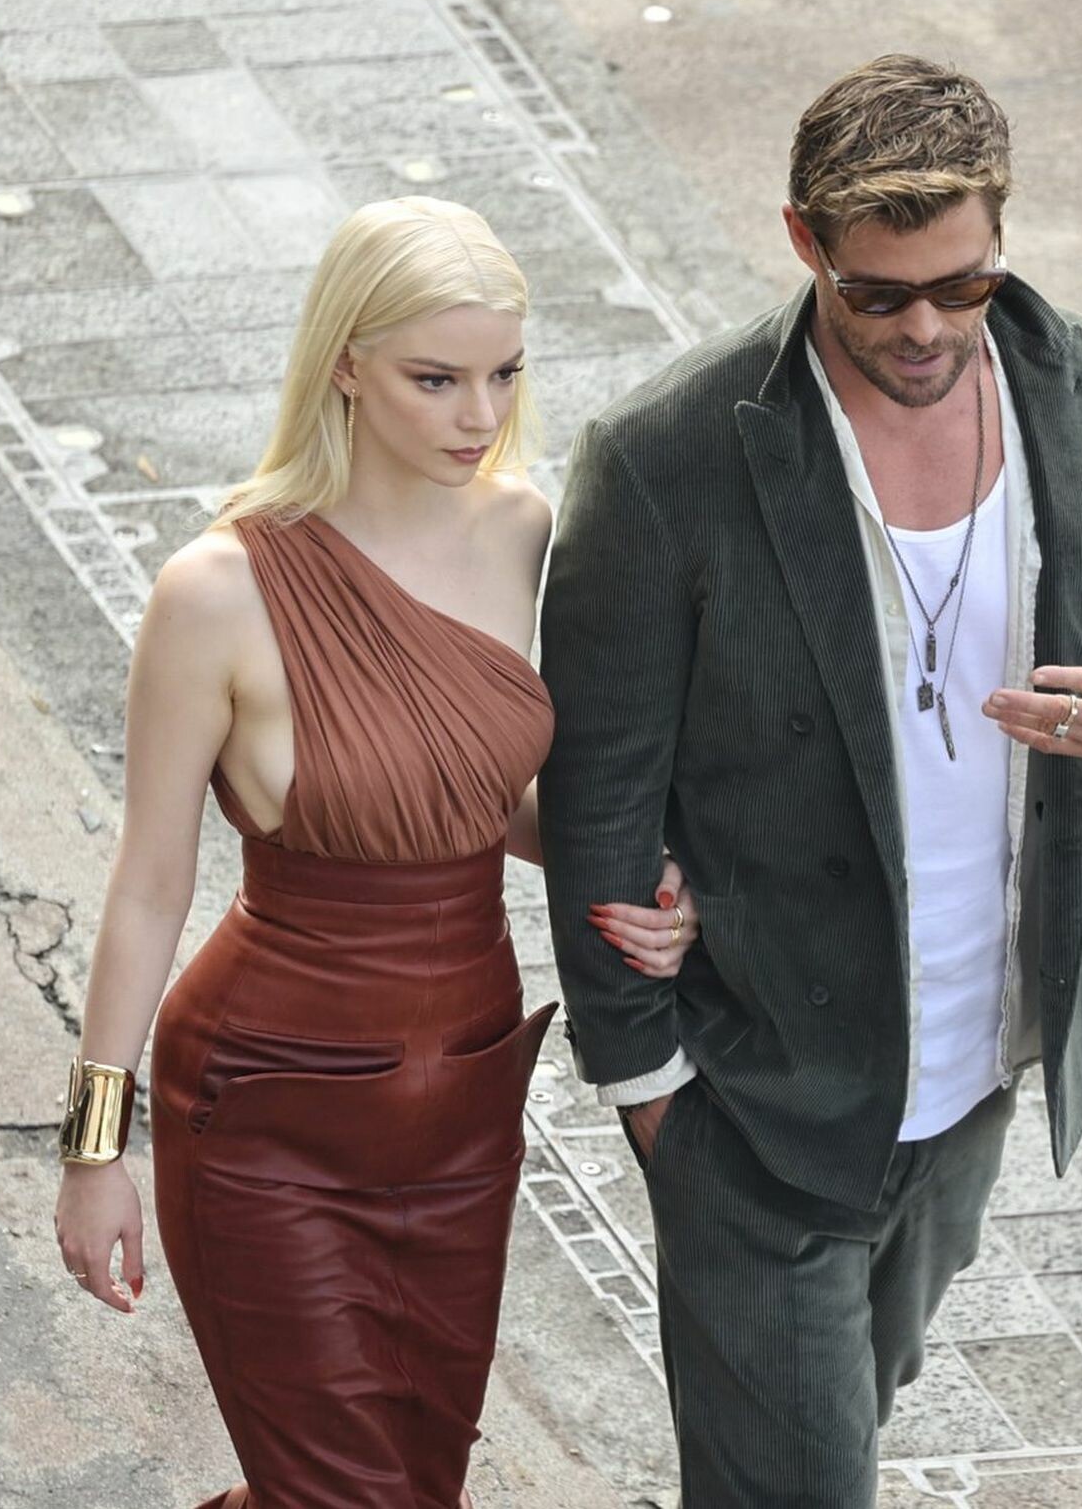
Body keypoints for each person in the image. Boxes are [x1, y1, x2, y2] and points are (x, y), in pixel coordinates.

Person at [536, 54, 1082, 1505]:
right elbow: (600, 796)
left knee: (840, 1430)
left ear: (1001, 240)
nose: (926, 328)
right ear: (805, 242)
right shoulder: (669, 459)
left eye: (963, 285)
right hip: (759, 1099)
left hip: (976, 1077)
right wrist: (655, 1097)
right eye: (880, 293)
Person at [50, 196, 704, 1509]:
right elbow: (149, 887)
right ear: (345, 364)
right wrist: (92, 1151)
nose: (481, 414)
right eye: (436, 378)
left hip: (462, 1109)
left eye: (504, 373)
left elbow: (476, 799)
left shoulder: (520, 534)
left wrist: (648, 880)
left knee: (411, 1489)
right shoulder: (216, 593)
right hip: (265, 1116)